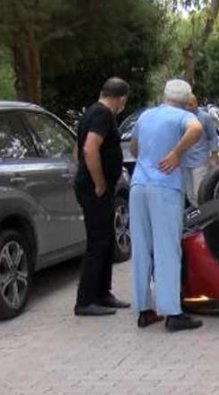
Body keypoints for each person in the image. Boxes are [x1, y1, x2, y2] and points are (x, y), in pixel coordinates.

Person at [129, 79, 204, 331]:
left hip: (138, 186)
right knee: (167, 248)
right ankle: (173, 313)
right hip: (165, 187)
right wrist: (175, 152)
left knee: (141, 248)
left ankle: (144, 310)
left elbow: (133, 147)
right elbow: (196, 130)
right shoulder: (181, 116)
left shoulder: (146, 116)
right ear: (185, 100)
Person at [73, 77, 131, 316]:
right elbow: (89, 148)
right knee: (98, 242)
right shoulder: (102, 115)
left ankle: (103, 293)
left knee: (107, 240)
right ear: (121, 99)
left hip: (95, 185)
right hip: (96, 188)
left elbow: (77, 150)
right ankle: (85, 300)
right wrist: (98, 182)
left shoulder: (91, 113)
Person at [183, 94, 219, 207]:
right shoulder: (181, 118)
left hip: (200, 160)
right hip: (184, 162)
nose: (188, 107)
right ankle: (198, 215)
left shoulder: (205, 117)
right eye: (186, 105)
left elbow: (213, 137)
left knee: (198, 191)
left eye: (191, 104)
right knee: (189, 194)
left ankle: (204, 215)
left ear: (196, 104)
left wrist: (214, 155)